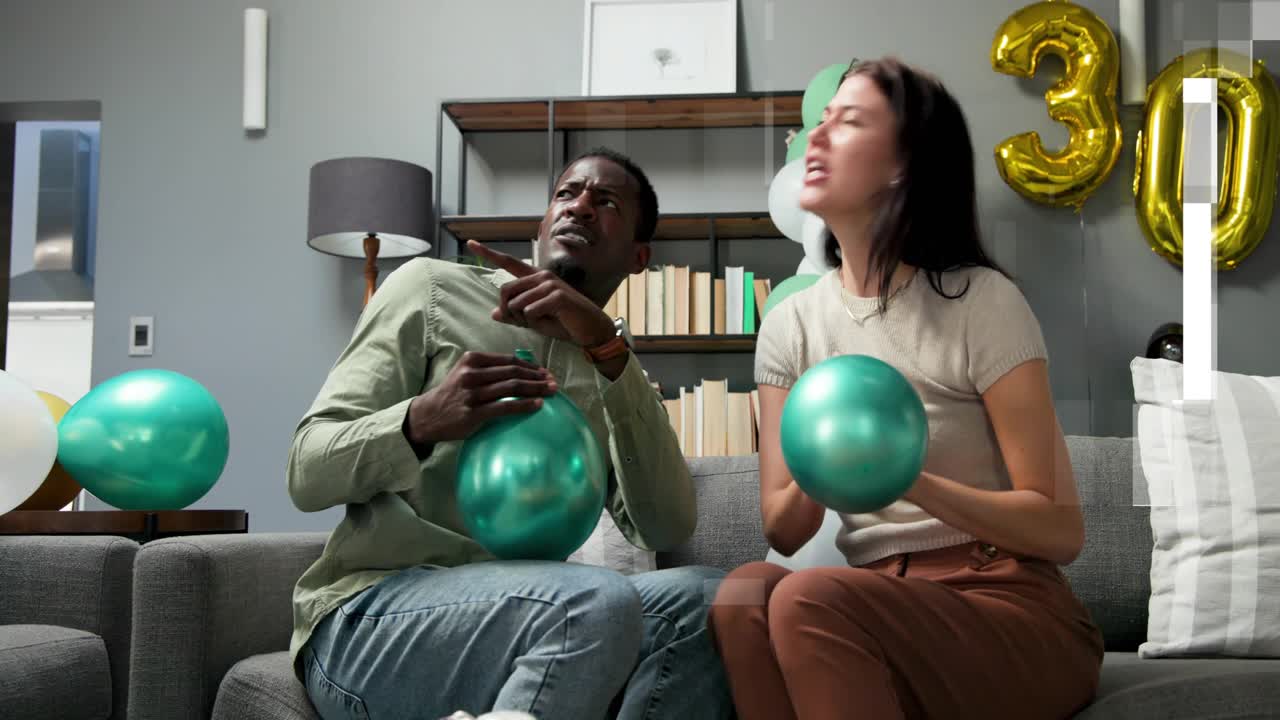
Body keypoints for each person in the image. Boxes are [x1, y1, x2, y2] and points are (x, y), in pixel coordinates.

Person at [707, 57, 1105, 719]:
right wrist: (829, 452)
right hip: (879, 604)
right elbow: (784, 529)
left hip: (1008, 605)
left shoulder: (981, 302)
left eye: (849, 122)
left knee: (808, 596)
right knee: (743, 594)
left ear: (901, 166)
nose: (816, 137)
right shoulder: (790, 324)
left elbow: (1061, 530)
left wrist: (905, 477)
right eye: (821, 121)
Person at [287, 147, 731, 720]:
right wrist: (421, 419)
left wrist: (609, 349)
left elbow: (665, 525)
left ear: (638, 256)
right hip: (372, 616)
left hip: (530, 614)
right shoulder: (429, 288)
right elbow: (306, 472)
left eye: (607, 202)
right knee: (590, 600)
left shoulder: (614, 370)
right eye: (566, 193)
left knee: (704, 600)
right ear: (541, 228)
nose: (580, 206)